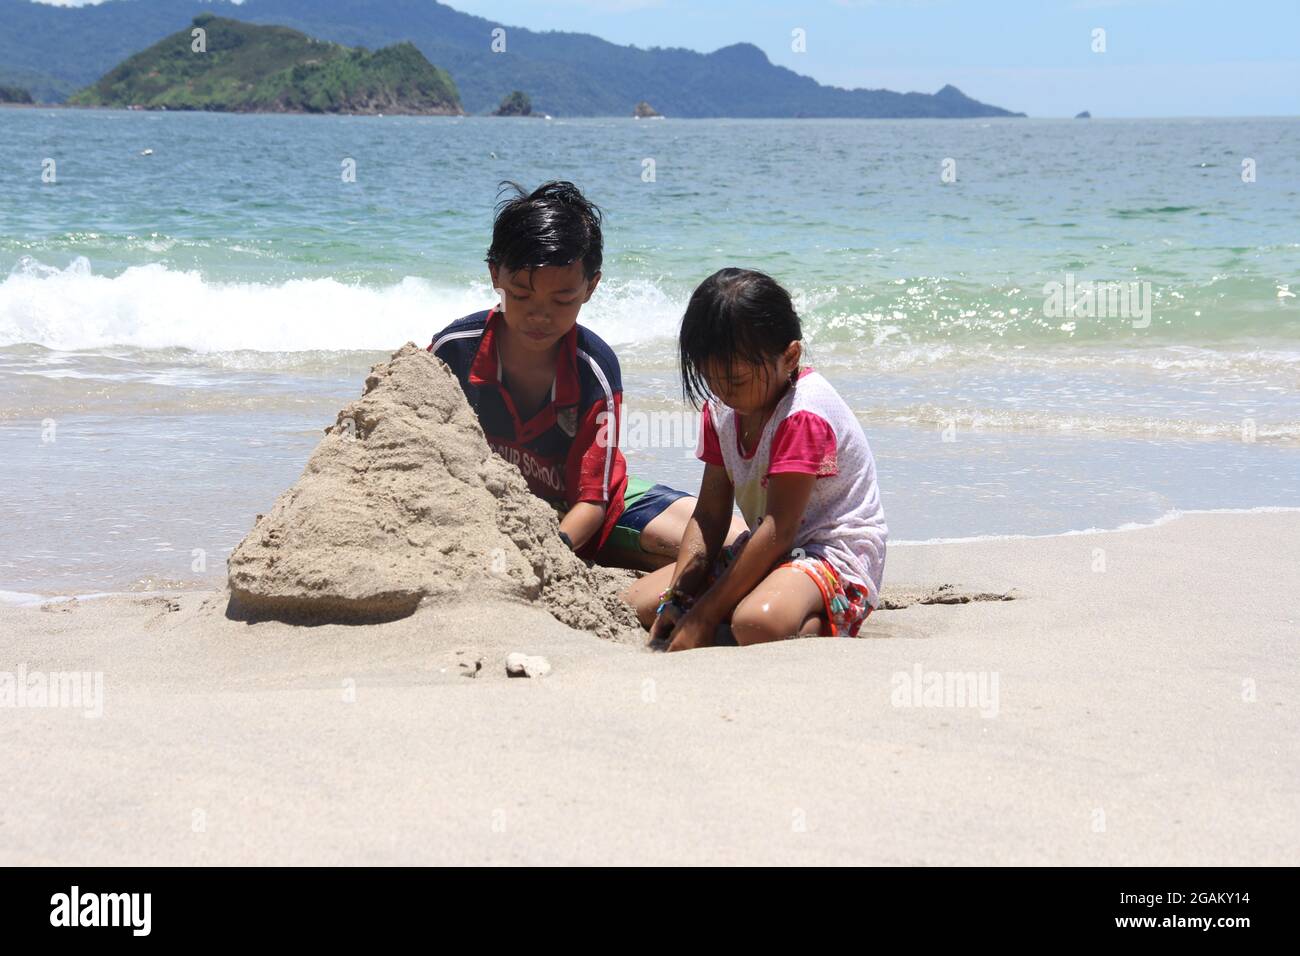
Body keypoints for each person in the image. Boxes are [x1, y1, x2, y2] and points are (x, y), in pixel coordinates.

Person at [429, 181, 744, 570]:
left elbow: (593, 502)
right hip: (496, 510)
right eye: (522, 294)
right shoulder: (454, 350)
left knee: (732, 545)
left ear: (591, 287)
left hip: (597, 507)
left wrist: (546, 553)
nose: (540, 314)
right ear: (495, 275)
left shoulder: (593, 369)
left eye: (562, 299)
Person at [623, 268, 888, 650]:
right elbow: (710, 515)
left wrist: (706, 613)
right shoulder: (721, 411)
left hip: (831, 551)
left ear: (790, 355)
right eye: (709, 378)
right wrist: (679, 598)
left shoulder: (803, 414)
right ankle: (763, 611)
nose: (722, 392)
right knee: (643, 603)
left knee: (755, 623)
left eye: (736, 380)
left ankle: (817, 619)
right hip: (767, 545)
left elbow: (780, 528)